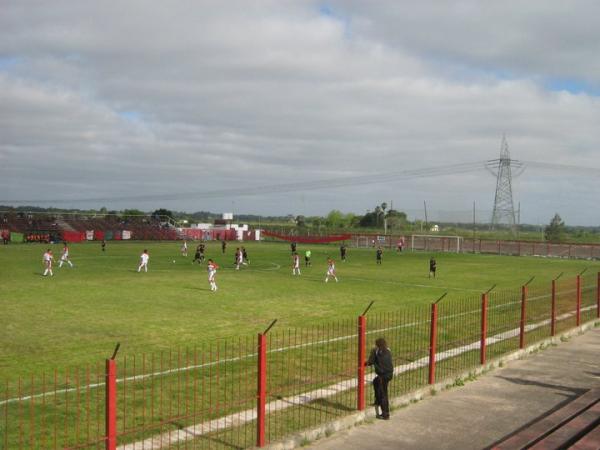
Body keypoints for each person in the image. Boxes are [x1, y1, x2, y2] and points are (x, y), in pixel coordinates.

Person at [366, 337, 393, 420]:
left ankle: (385, 414)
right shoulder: (388, 350)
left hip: (383, 375)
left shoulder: (376, 351)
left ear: (377, 345)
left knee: (383, 394)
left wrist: (367, 361)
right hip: (389, 373)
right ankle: (377, 401)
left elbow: (370, 362)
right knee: (375, 382)